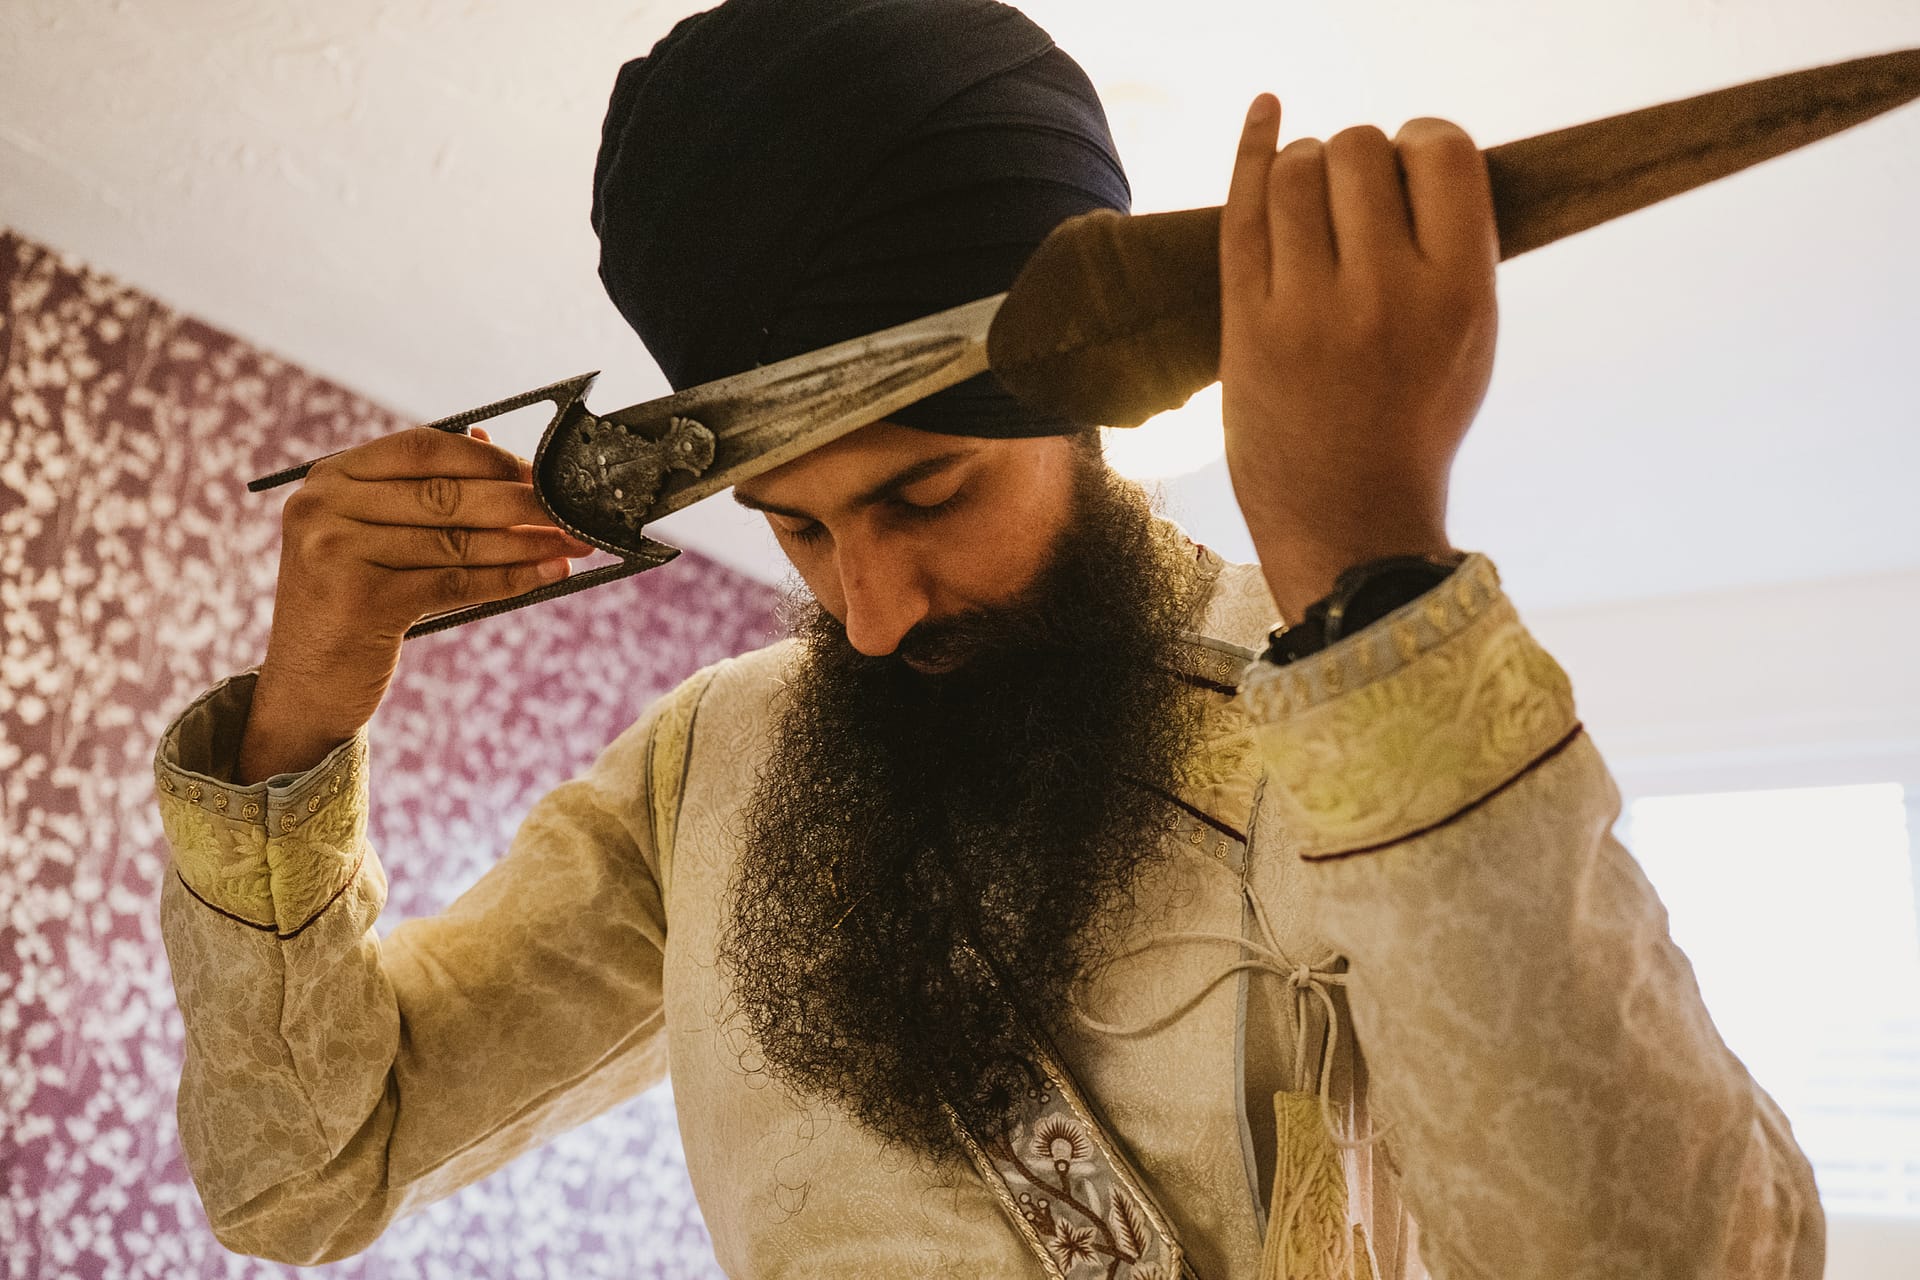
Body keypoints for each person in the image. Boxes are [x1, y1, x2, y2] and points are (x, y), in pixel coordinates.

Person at [152, 1, 1823, 1276]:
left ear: (1088, 416)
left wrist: (1374, 571)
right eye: (795, 531)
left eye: (926, 493)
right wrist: (302, 719)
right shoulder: (702, 769)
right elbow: (302, 1174)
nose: (867, 619)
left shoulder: (1350, 712)